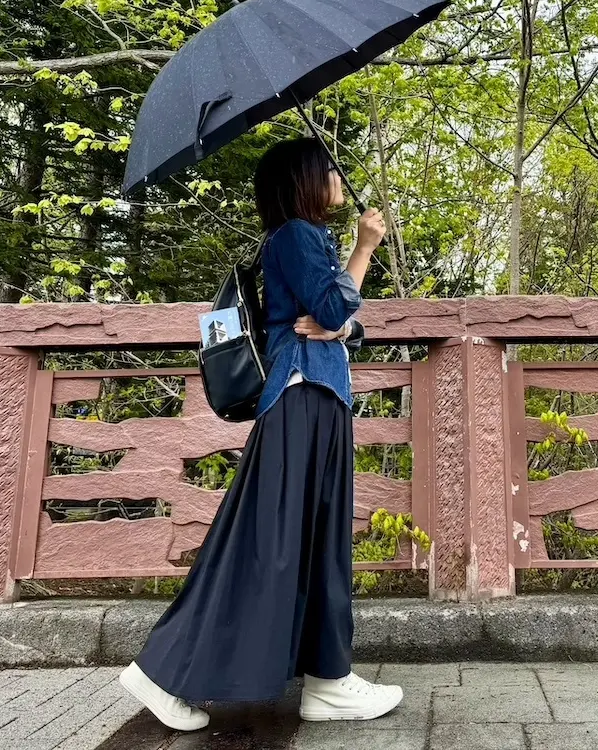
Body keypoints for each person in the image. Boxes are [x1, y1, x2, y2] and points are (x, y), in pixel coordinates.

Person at [118, 137, 401, 730]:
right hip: (301, 399)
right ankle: (166, 670)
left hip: (317, 399)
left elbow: (347, 325)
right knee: (267, 543)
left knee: (308, 542)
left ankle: (328, 678)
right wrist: (365, 249)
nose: (339, 176)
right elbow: (330, 310)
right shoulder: (298, 235)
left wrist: (342, 327)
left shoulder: (303, 240)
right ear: (304, 180)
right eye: (330, 168)